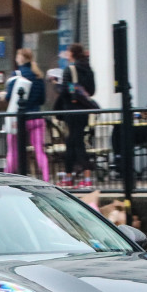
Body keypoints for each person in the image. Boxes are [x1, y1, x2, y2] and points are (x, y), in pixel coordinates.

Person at [0, 47, 49, 181]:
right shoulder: (38, 76)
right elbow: (42, 99)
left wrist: (4, 96)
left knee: (13, 150)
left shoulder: (16, 75)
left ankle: (8, 179)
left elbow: (10, 97)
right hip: (37, 118)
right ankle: (46, 178)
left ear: (20, 58)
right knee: (39, 150)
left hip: (19, 120)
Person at [55, 43, 95, 188]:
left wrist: (57, 84)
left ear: (72, 54)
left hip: (71, 110)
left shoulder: (69, 69)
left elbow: (65, 90)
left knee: (76, 143)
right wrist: (79, 91)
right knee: (72, 143)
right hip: (83, 111)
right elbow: (91, 91)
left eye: (68, 52)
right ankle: (69, 176)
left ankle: (86, 176)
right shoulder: (89, 70)